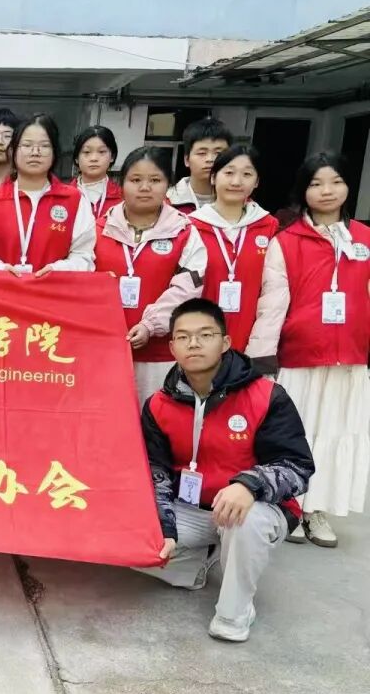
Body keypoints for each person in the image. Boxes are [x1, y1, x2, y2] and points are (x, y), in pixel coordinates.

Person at [139, 298, 313, 643]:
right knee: (132, 536)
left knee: (244, 522)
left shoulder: (266, 395)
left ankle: (234, 613)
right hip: (190, 508)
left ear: (225, 342)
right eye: (183, 337)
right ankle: (197, 564)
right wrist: (165, 528)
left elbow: (297, 467)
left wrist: (249, 485)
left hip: (252, 508)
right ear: (172, 347)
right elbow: (157, 472)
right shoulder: (158, 404)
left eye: (205, 335)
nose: (193, 344)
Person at [246, 152, 370, 547]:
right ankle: (293, 505)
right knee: (299, 435)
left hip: (350, 358)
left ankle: (318, 511)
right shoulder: (286, 242)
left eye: (336, 181)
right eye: (316, 184)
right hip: (300, 356)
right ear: (303, 191)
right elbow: (272, 303)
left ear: (348, 187)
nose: (327, 191)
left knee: (336, 433)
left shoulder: (365, 239)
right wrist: (262, 358)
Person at [93, 147, 207, 404]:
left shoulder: (184, 232)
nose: (145, 187)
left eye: (155, 180)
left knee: (155, 419)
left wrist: (150, 325)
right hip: (103, 351)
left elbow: (186, 289)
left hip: (160, 355)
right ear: (121, 183)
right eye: (135, 180)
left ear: (168, 185)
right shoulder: (98, 229)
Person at [0, 113, 96, 276]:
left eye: (44, 146)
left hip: (52, 290)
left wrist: (56, 270)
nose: (35, 152)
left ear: (55, 152)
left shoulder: (74, 200)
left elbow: (84, 256)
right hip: (1, 289)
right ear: (12, 151)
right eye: (27, 145)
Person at [188, 145, 278, 352]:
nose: (236, 182)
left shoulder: (269, 227)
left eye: (247, 174)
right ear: (213, 178)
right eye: (229, 173)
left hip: (251, 340)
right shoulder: (190, 226)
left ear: (257, 181)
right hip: (198, 340)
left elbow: (274, 292)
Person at [167, 118, 233, 215]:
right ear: (187, 160)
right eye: (202, 153)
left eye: (218, 153)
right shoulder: (167, 201)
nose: (210, 159)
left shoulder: (243, 204)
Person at [74, 125, 122, 219]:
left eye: (101, 152)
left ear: (112, 157)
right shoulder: (62, 196)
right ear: (76, 158)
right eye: (87, 152)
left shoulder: (123, 197)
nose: (94, 158)